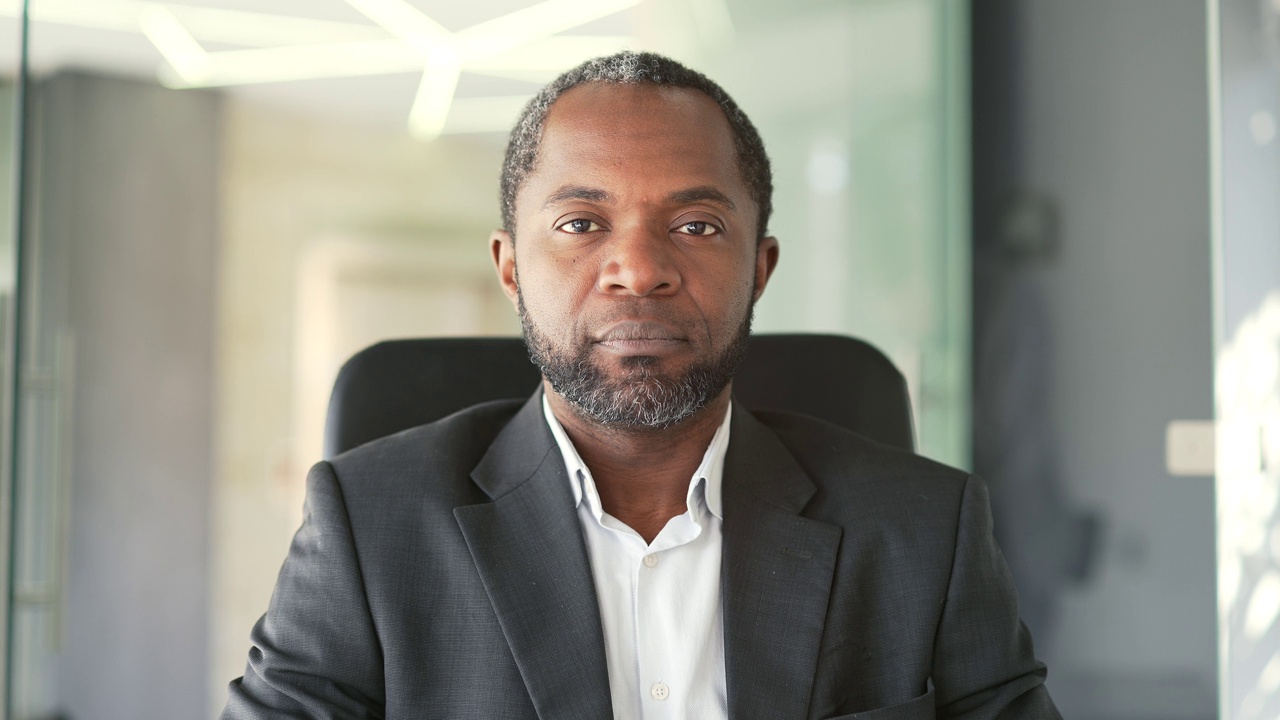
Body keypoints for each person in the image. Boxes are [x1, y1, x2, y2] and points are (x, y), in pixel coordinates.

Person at [222, 51, 1060, 720]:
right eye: (582, 225)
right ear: (510, 267)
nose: (638, 270)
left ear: (760, 269)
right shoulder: (369, 527)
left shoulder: (924, 532)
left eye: (695, 226)